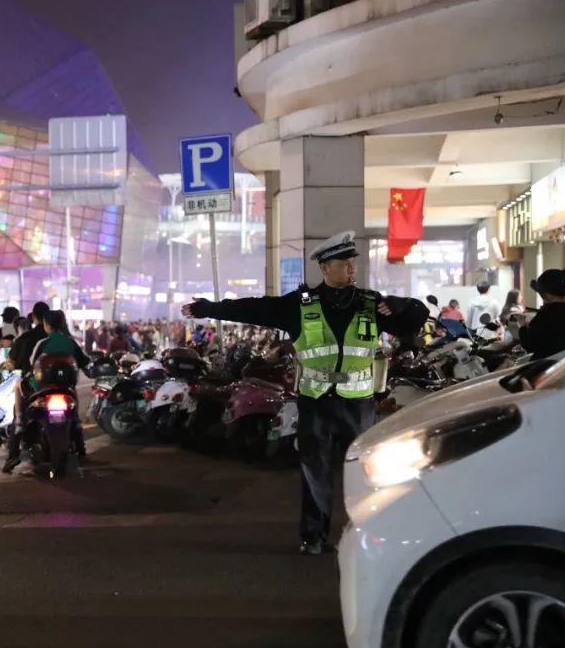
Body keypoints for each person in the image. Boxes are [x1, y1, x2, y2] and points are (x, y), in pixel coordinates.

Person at [183, 230, 429, 555]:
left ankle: (375, 537)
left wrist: (403, 304)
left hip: (359, 405)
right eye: (344, 263)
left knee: (369, 474)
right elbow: (253, 309)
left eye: (353, 262)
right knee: (316, 473)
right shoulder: (299, 306)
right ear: (325, 267)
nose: (352, 269)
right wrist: (207, 308)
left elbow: (416, 320)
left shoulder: (371, 304)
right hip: (316, 403)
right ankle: (313, 538)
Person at [3, 309, 89, 473]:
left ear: (46, 325)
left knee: (18, 384)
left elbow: (31, 364)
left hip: (42, 387)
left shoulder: (42, 343)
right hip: (66, 389)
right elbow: (84, 362)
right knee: (73, 392)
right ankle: (79, 437)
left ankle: (19, 425)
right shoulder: (70, 342)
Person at [517, 269, 565, 360]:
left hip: (547, 368)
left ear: (547, 294)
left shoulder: (545, 315)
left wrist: (522, 326)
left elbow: (529, 345)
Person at [8, 302, 51, 371]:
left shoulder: (24, 338)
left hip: (28, 378)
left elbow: (11, 360)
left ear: (33, 316)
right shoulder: (53, 337)